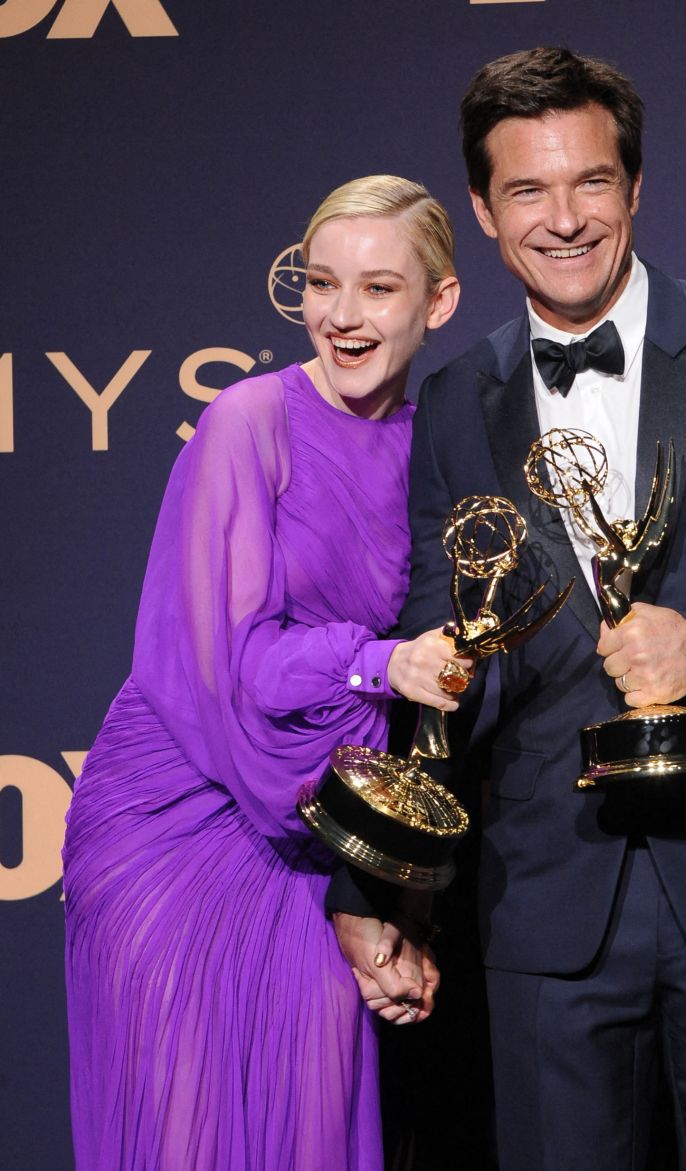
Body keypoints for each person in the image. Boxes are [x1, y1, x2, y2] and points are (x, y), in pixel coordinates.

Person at [334, 47, 686, 1171]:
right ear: (483, 210)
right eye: (526, 191)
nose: (563, 219)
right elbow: (450, 651)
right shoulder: (455, 400)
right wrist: (379, 880)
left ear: (634, 187)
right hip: (544, 890)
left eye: (589, 181)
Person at [62, 174, 466, 1171]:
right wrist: (380, 662)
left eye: (377, 288)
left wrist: (389, 893)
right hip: (181, 822)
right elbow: (219, 662)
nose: (342, 315)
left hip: (311, 837)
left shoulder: (434, 450)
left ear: (438, 301)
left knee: (311, 1119)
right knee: (186, 1130)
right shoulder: (251, 420)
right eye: (321, 284)